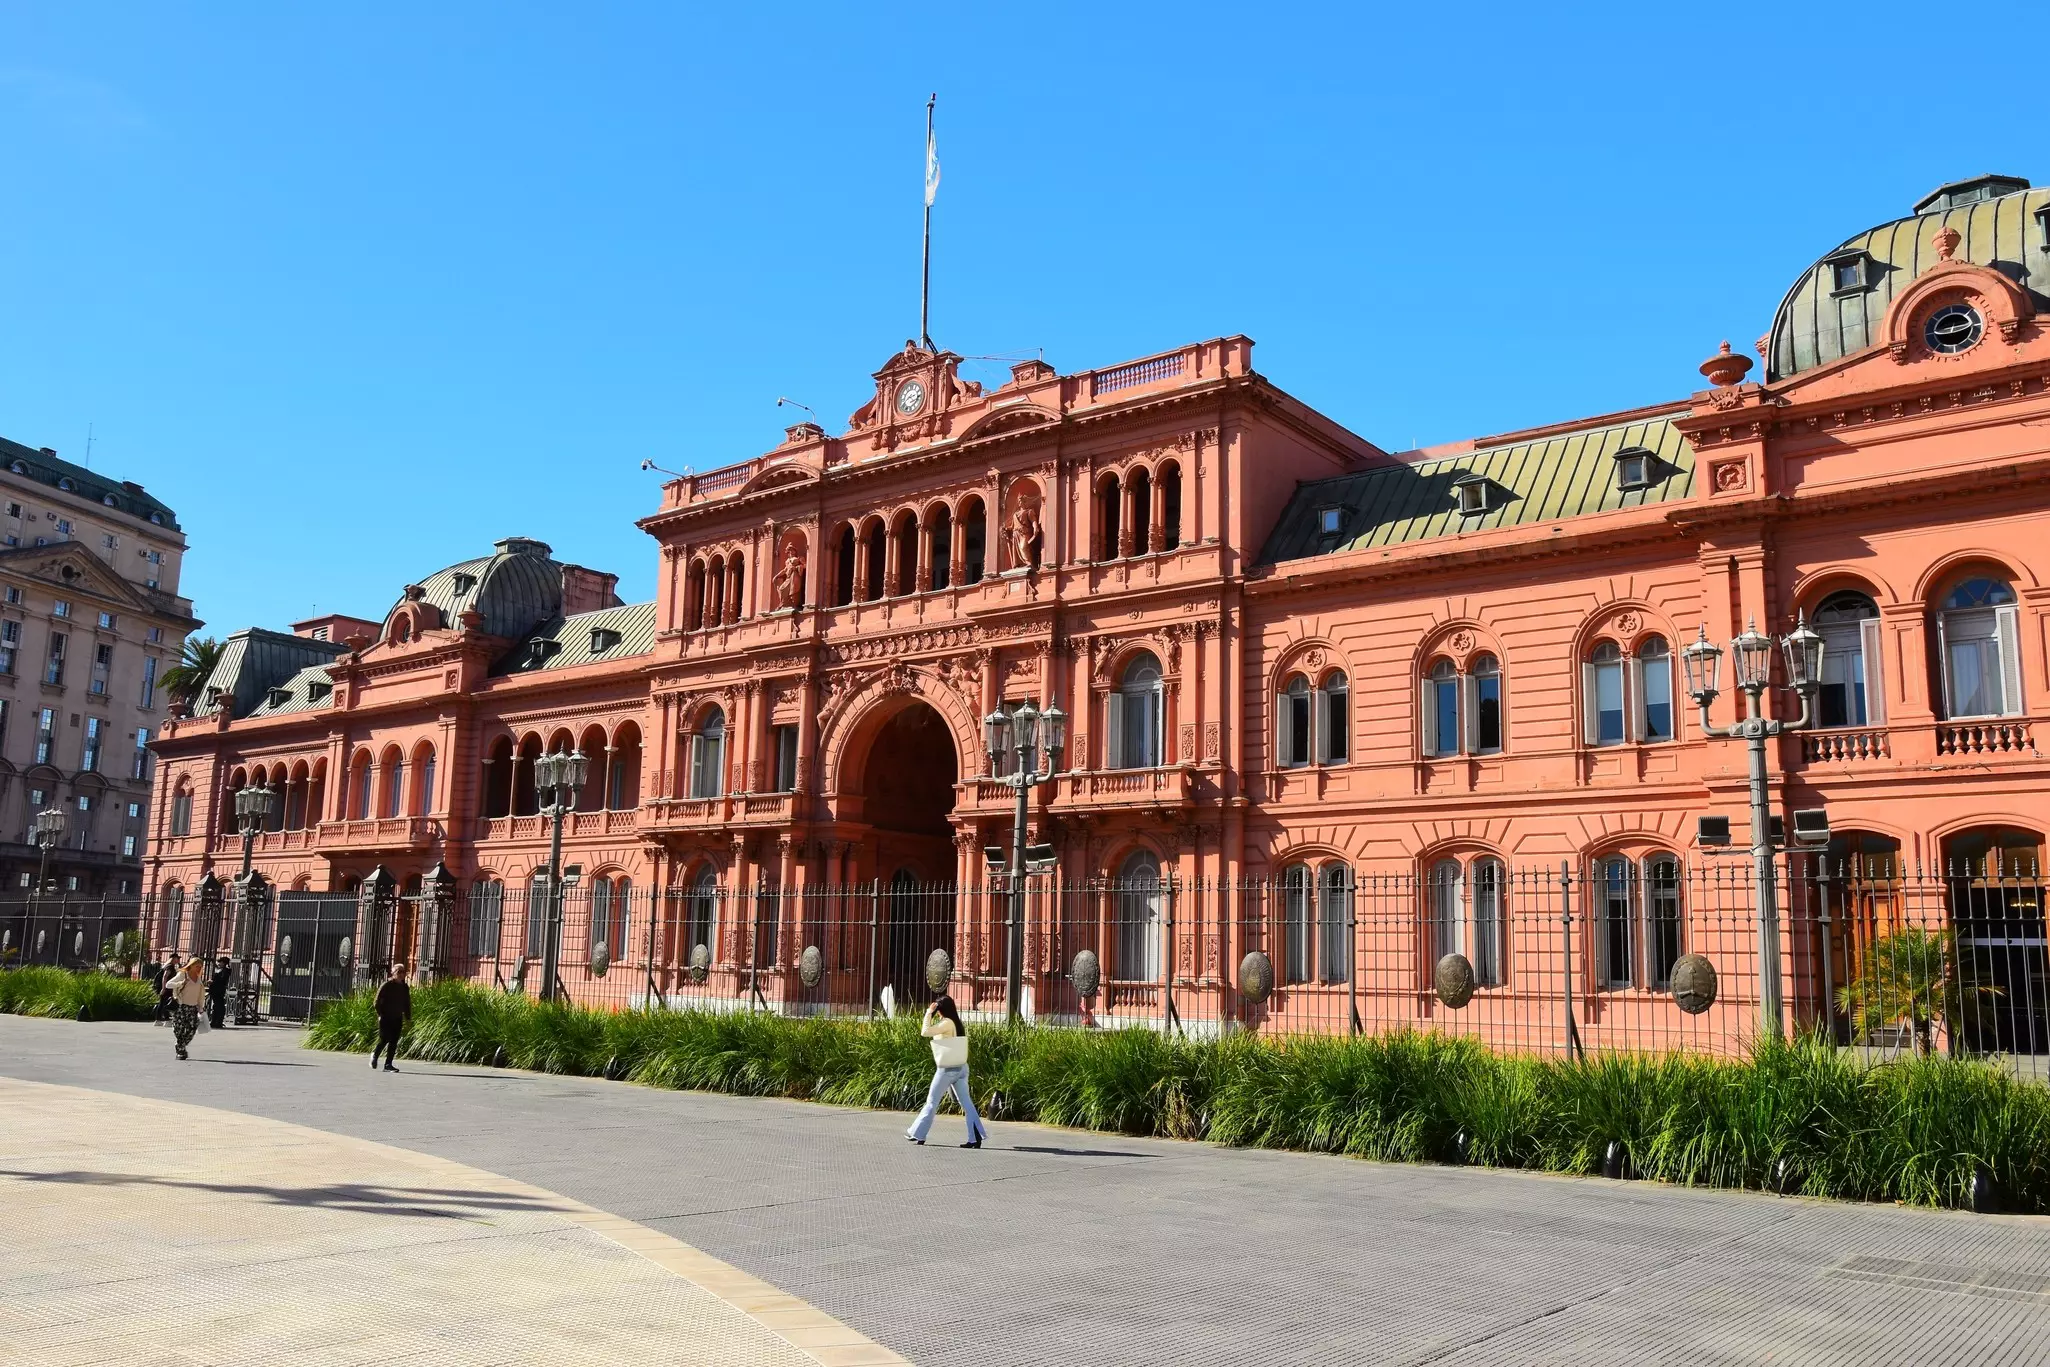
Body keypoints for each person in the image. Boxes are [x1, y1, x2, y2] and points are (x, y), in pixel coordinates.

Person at [905, 994, 987, 1149]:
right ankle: (975, 1137)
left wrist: (929, 1012)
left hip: (947, 1069)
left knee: (931, 1101)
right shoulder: (954, 1022)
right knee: (967, 1103)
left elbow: (925, 1031)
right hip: (961, 1067)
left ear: (941, 1009)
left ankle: (917, 1133)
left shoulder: (947, 1023)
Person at [371, 962, 411, 1072]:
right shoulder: (386, 985)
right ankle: (375, 1055)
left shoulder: (404, 987)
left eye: (403, 972)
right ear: (393, 973)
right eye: (399, 972)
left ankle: (388, 1064)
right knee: (384, 1039)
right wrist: (380, 1014)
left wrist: (408, 1018)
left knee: (394, 1041)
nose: (401, 974)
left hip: (397, 1017)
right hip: (386, 1017)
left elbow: (406, 1003)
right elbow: (376, 1002)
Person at [165, 959, 206, 1060]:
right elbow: (168, 984)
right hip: (181, 1006)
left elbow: (200, 994)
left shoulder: (198, 978)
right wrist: (180, 983)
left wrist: (200, 1007)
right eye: (197, 965)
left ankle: (180, 1045)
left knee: (192, 1028)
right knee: (179, 1029)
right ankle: (181, 1050)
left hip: (193, 1007)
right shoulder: (183, 974)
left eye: (200, 966)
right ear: (191, 965)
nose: (198, 968)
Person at [153, 954, 181, 1026]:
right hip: (167, 988)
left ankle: (158, 1020)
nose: (178, 960)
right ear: (174, 958)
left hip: (165, 987)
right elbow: (165, 977)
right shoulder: (170, 967)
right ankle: (166, 1020)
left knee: (162, 1003)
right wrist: (164, 988)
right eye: (177, 958)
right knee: (166, 1003)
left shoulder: (166, 966)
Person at [207, 955, 233, 1030]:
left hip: (219, 990)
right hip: (215, 990)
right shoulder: (219, 970)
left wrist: (213, 981)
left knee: (219, 1006)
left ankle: (218, 1022)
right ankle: (214, 1021)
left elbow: (222, 980)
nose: (219, 963)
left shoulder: (226, 970)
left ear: (224, 963)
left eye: (221, 962)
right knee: (216, 1006)